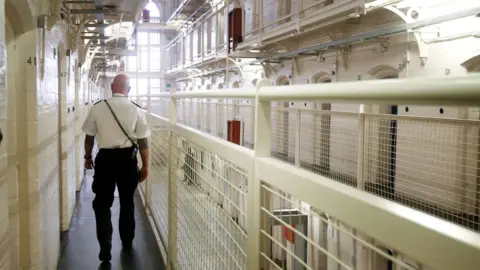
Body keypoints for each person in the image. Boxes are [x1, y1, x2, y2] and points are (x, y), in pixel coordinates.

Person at [81, 74, 151, 262]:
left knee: (102, 203)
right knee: (127, 202)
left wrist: (87, 157)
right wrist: (145, 166)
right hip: (128, 160)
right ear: (128, 89)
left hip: (105, 160)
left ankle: (105, 244)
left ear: (112, 87)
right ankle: (127, 241)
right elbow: (143, 142)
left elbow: (89, 137)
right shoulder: (137, 110)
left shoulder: (98, 108)